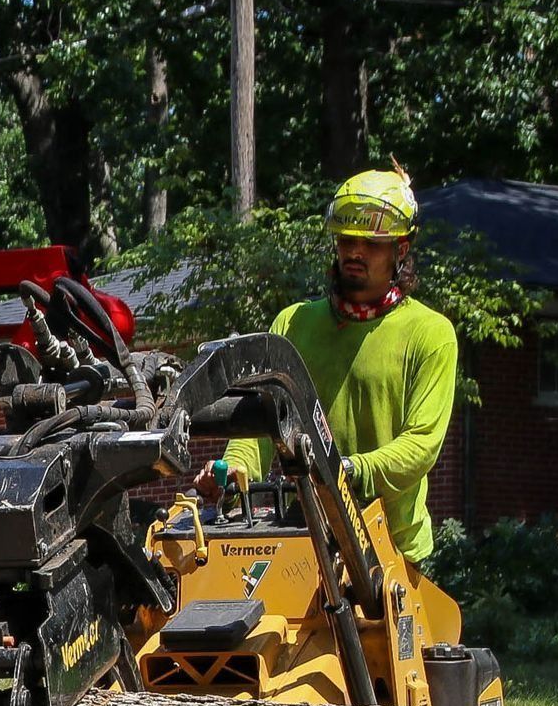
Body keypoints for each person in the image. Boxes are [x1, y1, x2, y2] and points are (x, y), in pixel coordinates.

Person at [196, 167, 457, 562]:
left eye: (371, 243)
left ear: (401, 250)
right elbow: (258, 424)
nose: (355, 252)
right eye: (347, 239)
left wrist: (346, 471)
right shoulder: (292, 324)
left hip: (394, 553)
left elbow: (421, 444)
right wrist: (234, 469)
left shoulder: (430, 334)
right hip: (306, 537)